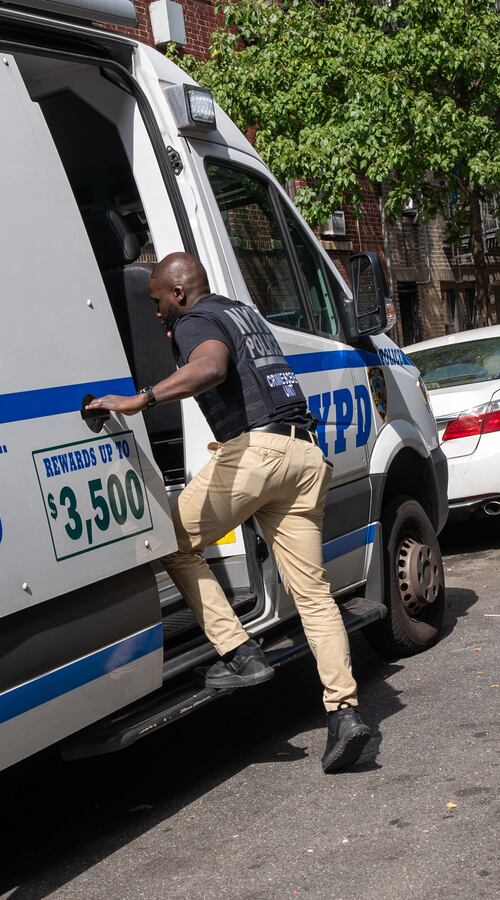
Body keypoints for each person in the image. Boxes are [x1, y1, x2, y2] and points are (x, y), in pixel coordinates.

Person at [88, 252, 372, 773]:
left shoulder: (195, 321)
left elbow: (211, 367)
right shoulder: (243, 312)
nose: (155, 314)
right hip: (305, 454)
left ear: (177, 293)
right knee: (313, 595)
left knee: (172, 541)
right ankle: (345, 713)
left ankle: (241, 653)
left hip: (258, 455)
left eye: (156, 302)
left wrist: (140, 399)